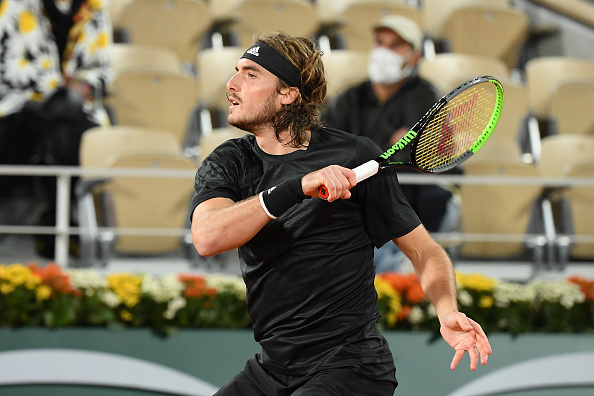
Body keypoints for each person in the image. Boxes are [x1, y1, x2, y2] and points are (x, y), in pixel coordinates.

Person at [190, 32, 491, 395]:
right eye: (236, 71)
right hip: (273, 368)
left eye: (251, 74)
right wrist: (297, 187)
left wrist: (447, 310)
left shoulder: (354, 155)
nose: (232, 84)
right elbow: (207, 237)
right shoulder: (229, 162)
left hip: (352, 366)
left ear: (288, 94)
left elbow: (423, 250)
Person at [322, 15, 457, 273]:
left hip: (409, 206)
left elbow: (418, 159)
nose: (384, 52)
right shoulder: (351, 97)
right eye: (380, 43)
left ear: (414, 57)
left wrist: (364, 150)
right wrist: (387, 143)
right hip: (354, 204)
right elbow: (327, 149)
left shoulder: (426, 97)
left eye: (395, 45)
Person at [0, 0, 113, 256]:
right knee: (58, 122)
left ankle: (52, 222)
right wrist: (58, 85)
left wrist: (80, 87)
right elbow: (6, 68)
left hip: (77, 109)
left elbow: (104, 72)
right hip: (22, 104)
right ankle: (58, 223)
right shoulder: (17, 6)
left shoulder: (96, 10)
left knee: (65, 123)